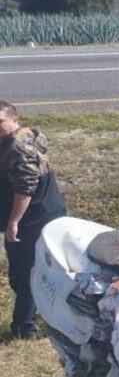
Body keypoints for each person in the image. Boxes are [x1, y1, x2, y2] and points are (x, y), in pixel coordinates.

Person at [0, 102, 67, 339]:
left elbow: (25, 188)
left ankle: (24, 327)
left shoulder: (18, 149)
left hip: (32, 221)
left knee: (25, 273)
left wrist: (13, 222)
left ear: (14, 120)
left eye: (0, 122)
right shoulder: (16, 142)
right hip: (47, 214)